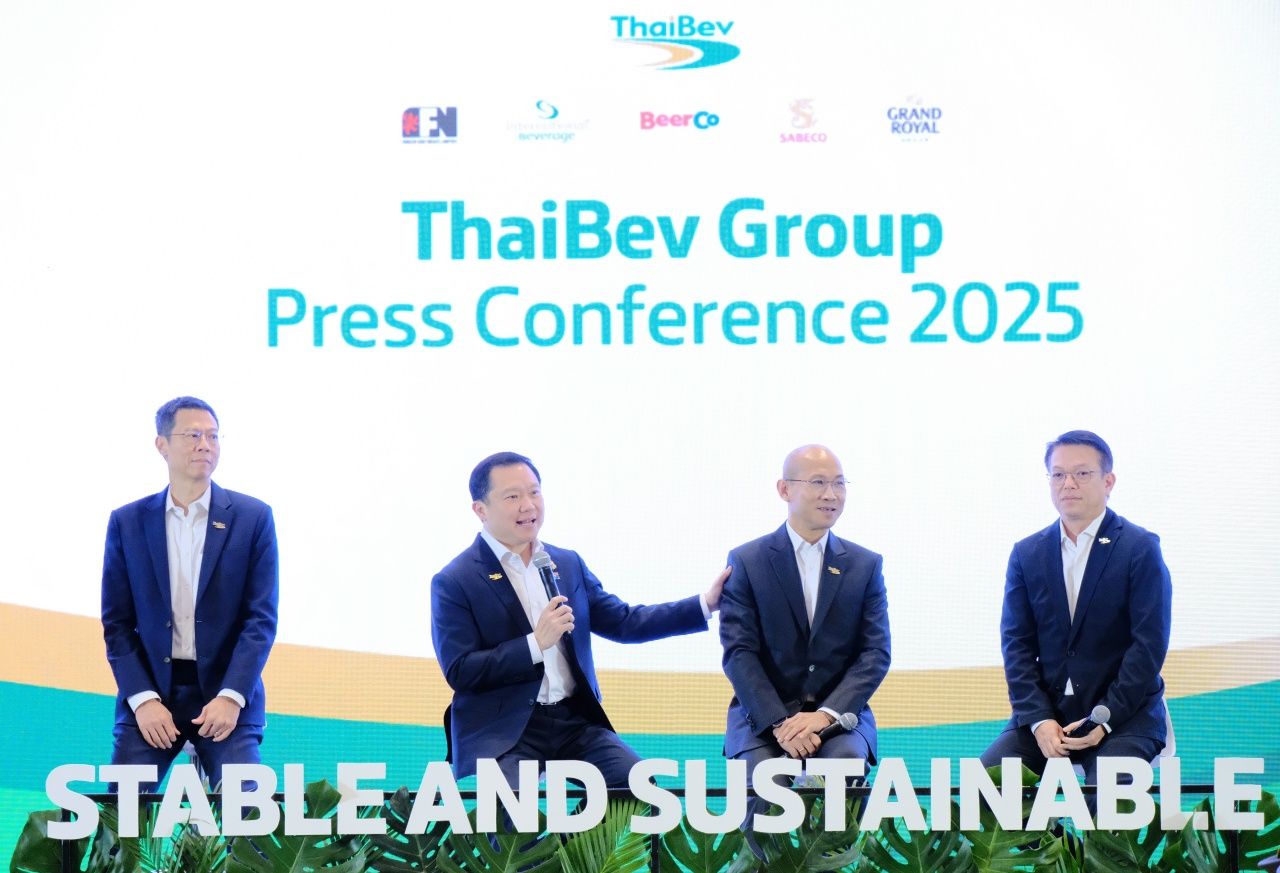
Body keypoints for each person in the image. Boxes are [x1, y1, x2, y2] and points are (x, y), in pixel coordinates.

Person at [431, 451, 729, 786]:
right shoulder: (455, 580)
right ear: (480, 510)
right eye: (512, 497)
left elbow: (624, 621)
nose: (528, 505)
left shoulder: (566, 562)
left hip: (574, 721)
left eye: (534, 492)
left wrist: (705, 604)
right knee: (510, 809)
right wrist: (535, 644)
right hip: (505, 730)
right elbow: (460, 670)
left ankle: (578, 825)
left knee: (637, 787)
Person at [101, 396, 279, 791]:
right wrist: (143, 700)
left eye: (213, 436)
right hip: (152, 692)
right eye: (193, 435)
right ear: (161, 444)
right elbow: (117, 625)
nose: (205, 445)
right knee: (121, 819)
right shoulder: (128, 522)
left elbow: (260, 621)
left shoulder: (252, 518)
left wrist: (232, 696)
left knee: (248, 812)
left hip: (225, 692)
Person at [981, 430, 1172, 782]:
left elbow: (1149, 646)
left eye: (1082, 473)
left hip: (1123, 716)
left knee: (1109, 794)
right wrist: (1039, 720)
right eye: (1058, 474)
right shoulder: (1027, 553)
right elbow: (1017, 646)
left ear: (1108, 481)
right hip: (1049, 715)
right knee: (986, 785)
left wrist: (1104, 717)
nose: (1068, 483)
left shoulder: (1139, 547)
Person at [720, 444, 890, 773]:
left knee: (844, 769)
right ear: (784, 489)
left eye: (839, 483)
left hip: (839, 717)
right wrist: (780, 724)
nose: (831, 494)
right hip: (764, 717)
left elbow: (875, 653)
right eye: (818, 482)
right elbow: (739, 653)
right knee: (765, 778)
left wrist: (826, 715)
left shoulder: (865, 565)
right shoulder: (747, 561)